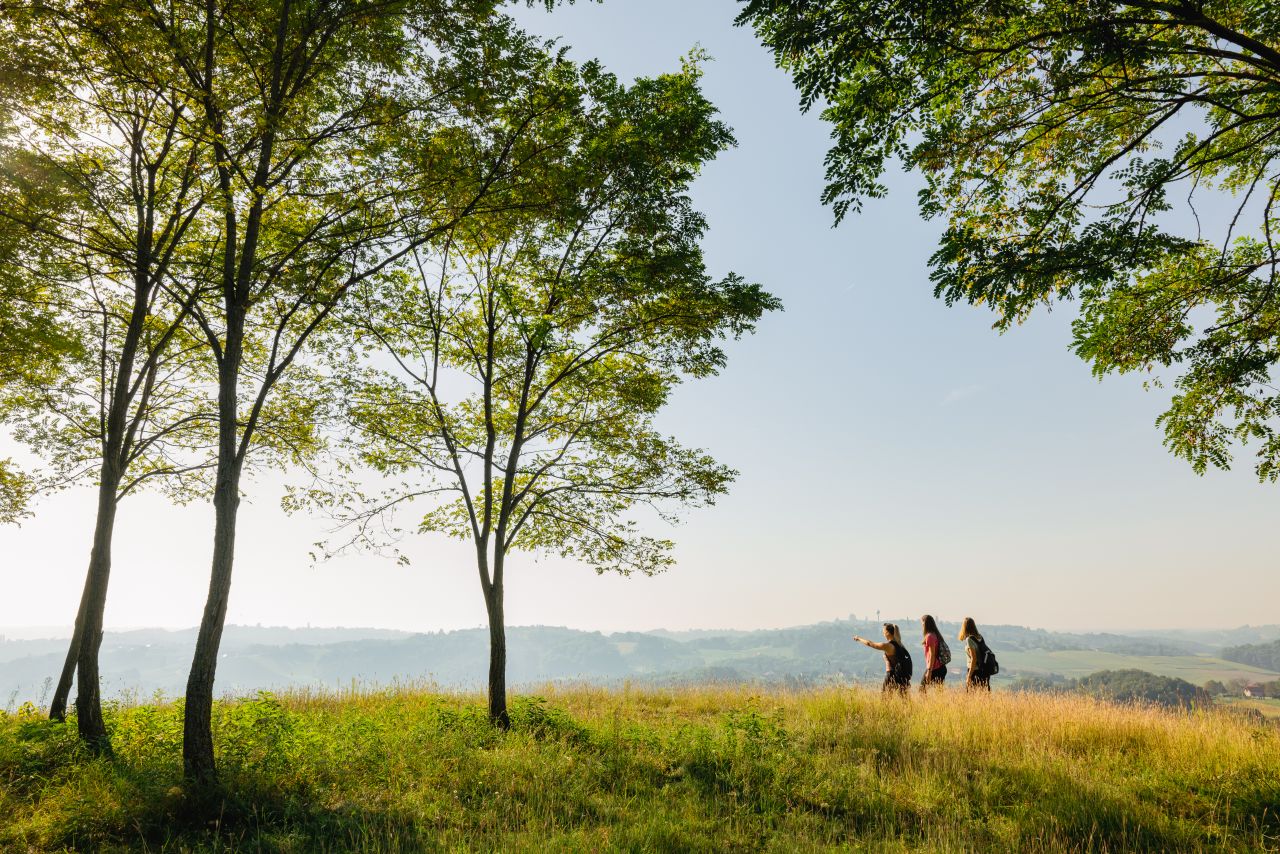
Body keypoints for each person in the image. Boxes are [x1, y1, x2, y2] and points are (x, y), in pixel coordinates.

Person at [853, 623, 912, 694]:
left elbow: (870, 643)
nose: (883, 632)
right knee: (904, 701)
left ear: (887, 633)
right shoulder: (899, 643)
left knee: (885, 699)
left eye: (883, 631)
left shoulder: (888, 646)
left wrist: (859, 638)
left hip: (892, 676)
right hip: (902, 677)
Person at [960, 616, 992, 692]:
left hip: (974, 671)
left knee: (971, 696)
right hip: (983, 670)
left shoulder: (969, 640)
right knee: (983, 695)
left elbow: (973, 659)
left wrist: (969, 676)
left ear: (964, 627)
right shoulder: (980, 637)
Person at [919, 614, 948, 690]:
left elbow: (932, 655)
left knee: (921, 690)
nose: (921, 625)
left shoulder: (929, 636)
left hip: (934, 668)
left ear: (925, 623)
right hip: (941, 667)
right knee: (939, 693)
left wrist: (929, 671)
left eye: (922, 623)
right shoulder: (936, 634)